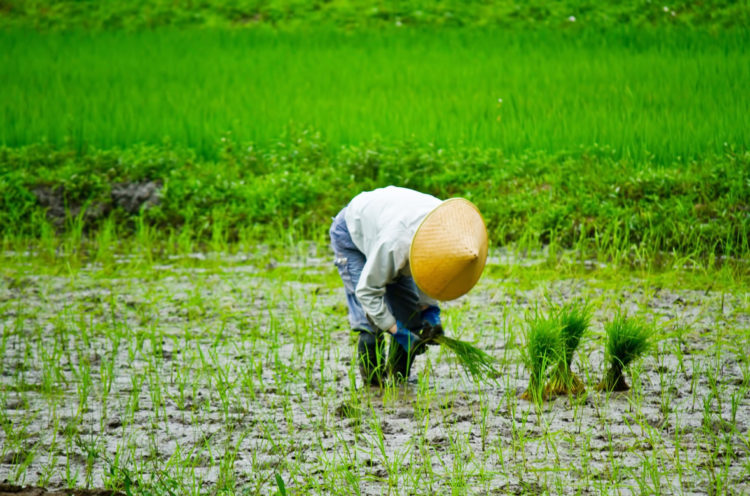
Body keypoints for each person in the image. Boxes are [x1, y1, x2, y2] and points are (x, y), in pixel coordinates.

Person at [329, 186, 488, 386]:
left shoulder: (448, 229)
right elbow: (367, 291)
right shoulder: (395, 245)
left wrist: (429, 310)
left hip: (390, 226)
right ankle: (374, 387)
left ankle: (399, 381)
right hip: (353, 233)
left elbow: (431, 270)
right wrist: (396, 330)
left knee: (411, 318)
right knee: (370, 324)